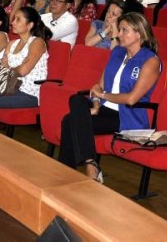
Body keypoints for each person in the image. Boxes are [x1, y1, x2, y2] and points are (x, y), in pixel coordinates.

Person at [59, 12, 161, 182]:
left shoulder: (150, 61)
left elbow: (131, 99)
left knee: (69, 120)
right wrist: (97, 104)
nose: (118, 34)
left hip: (126, 116)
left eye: (124, 30)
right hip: (104, 108)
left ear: (139, 34)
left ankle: (70, 169)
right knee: (75, 100)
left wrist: (102, 95)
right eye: (119, 30)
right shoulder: (117, 53)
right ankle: (89, 162)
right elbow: (99, 86)